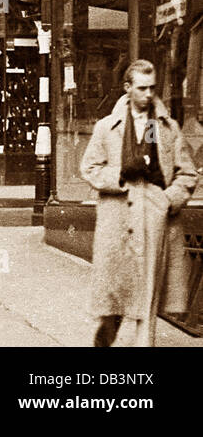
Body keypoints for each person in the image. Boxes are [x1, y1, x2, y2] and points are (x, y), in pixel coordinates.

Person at [80, 59, 198, 347]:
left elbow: (187, 172)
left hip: (155, 219)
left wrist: (169, 200)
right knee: (115, 297)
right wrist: (119, 174)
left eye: (152, 88)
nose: (148, 94)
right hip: (117, 219)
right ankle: (105, 340)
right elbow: (89, 168)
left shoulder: (166, 127)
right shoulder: (107, 127)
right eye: (142, 88)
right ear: (127, 87)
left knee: (148, 296)